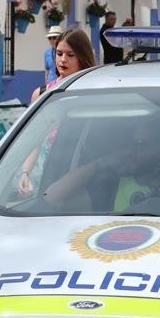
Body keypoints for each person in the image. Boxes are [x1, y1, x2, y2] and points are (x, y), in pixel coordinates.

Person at [19, 29, 98, 196]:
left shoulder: (94, 93)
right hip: (45, 175)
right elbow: (34, 140)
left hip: (83, 177)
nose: (63, 60)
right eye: (59, 53)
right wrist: (25, 173)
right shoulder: (41, 94)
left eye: (70, 55)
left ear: (82, 57)